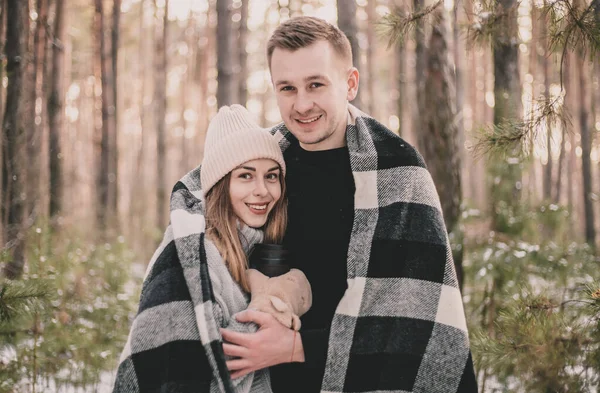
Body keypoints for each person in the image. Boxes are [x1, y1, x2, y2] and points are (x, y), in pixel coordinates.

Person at [219, 16, 479, 393]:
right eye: (287, 88)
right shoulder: (261, 165)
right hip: (267, 382)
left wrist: (295, 347)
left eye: (316, 84)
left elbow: (410, 321)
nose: (302, 104)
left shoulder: (397, 169)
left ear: (350, 83)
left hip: (368, 380)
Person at [112, 105, 312, 393]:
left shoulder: (252, 251)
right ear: (220, 185)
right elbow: (199, 375)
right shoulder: (190, 258)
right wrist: (275, 304)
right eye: (245, 176)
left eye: (271, 176)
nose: (263, 190)